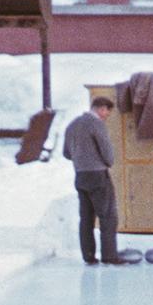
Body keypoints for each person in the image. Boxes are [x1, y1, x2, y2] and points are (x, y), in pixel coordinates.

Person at [63, 93, 121, 266]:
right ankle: (109, 256)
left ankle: (88, 256)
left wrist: (81, 159)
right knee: (108, 216)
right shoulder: (96, 124)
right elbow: (107, 152)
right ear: (101, 109)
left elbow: (66, 153)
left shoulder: (72, 125)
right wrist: (107, 161)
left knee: (86, 218)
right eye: (106, 113)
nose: (106, 117)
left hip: (80, 176)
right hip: (98, 175)